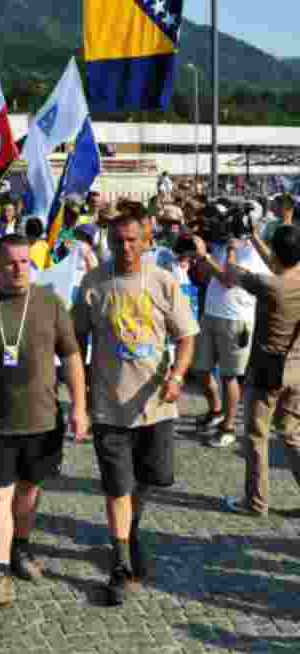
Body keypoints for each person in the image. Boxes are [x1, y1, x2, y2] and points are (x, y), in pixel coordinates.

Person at [0, 235, 88, 607]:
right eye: (10, 262)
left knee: (28, 493)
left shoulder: (49, 302)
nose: (19, 269)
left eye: (25, 261)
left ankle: (20, 547)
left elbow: (72, 356)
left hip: (42, 420)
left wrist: (79, 407)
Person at [73, 211, 198, 606]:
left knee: (151, 478)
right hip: (110, 408)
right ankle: (122, 561)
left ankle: (131, 530)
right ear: (108, 243)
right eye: (117, 241)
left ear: (146, 241)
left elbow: (187, 337)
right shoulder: (94, 284)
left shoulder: (163, 282)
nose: (124, 248)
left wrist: (177, 376)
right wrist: (80, 395)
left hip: (156, 407)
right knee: (117, 486)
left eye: (131, 240)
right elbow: (75, 341)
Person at [198, 227, 300, 517]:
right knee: (291, 434)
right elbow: (277, 263)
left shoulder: (269, 285)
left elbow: (230, 274)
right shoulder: (292, 277)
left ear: (277, 253)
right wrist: (254, 236)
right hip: (297, 369)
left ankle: (256, 501)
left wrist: (228, 247)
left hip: (269, 371)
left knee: (257, 435)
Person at [193, 233, 261, 448]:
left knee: (229, 376)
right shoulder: (224, 246)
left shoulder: (254, 253)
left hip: (236, 319)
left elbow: (229, 279)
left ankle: (228, 426)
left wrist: (210, 256)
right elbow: (207, 276)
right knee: (201, 369)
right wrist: (200, 256)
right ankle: (216, 410)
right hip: (211, 314)